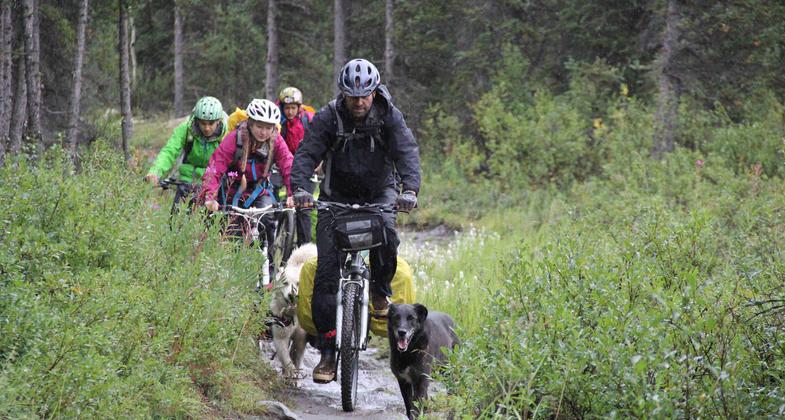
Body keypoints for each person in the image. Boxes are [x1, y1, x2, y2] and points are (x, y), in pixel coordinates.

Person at [290, 58, 420, 383]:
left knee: (388, 234)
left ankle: (379, 291)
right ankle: (328, 350)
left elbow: (406, 152)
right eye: (352, 96)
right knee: (325, 275)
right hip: (335, 197)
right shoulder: (328, 116)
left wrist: (409, 190)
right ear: (343, 94)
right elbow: (306, 153)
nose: (359, 102)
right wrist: (301, 189)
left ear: (374, 92)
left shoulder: (389, 115)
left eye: (364, 96)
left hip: (380, 194)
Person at [201, 98, 294, 278]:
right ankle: (232, 277)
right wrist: (210, 196)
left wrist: (293, 193)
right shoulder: (234, 139)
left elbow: (288, 165)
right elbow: (215, 166)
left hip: (259, 191)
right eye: (259, 126)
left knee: (267, 223)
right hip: (232, 192)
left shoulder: (276, 141)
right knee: (233, 235)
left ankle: (269, 271)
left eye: (268, 128)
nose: (263, 132)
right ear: (250, 122)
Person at [145, 96, 228, 213]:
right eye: (203, 123)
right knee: (176, 220)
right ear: (197, 120)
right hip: (186, 183)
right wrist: (155, 172)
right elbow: (169, 151)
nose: (207, 128)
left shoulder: (227, 136)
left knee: (209, 222)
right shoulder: (185, 130)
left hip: (213, 187)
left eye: (211, 123)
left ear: (219, 121)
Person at [278, 86, 316, 246]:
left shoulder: (309, 120)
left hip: (305, 167)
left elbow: (317, 143)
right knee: (275, 202)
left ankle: (304, 247)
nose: (290, 111)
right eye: (287, 108)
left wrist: (317, 164)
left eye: (293, 108)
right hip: (282, 165)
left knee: (304, 208)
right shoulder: (278, 122)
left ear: (299, 107)